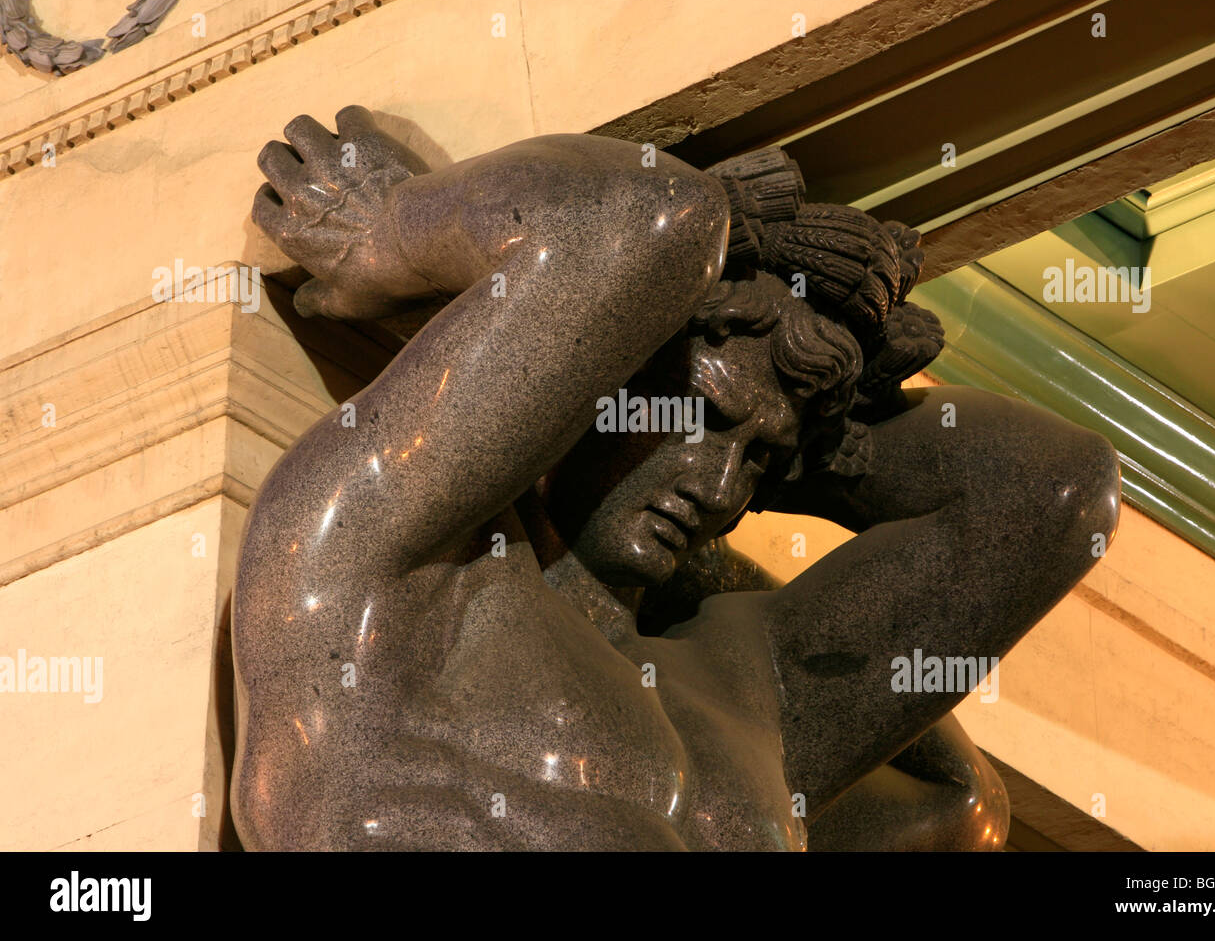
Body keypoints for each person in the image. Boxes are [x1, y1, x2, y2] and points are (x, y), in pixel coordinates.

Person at [232, 107, 1120, 850]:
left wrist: (812, 414)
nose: (725, 486)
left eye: (761, 462)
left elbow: (1051, 495)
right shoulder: (390, 568)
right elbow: (644, 219)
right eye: (701, 419)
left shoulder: (742, 687)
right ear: (595, 375)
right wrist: (403, 233)